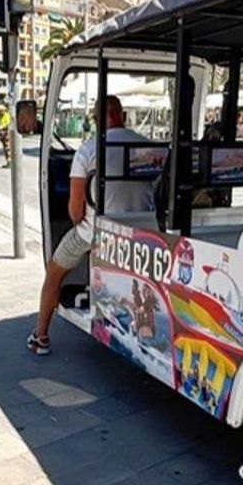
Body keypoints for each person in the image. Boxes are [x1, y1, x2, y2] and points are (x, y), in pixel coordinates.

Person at [28, 95, 156, 356]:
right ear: (123, 115)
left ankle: (40, 336)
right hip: (142, 231)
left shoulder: (88, 150)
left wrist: (79, 223)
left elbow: (75, 210)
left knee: (54, 272)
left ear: (97, 119)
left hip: (96, 233)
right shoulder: (147, 146)